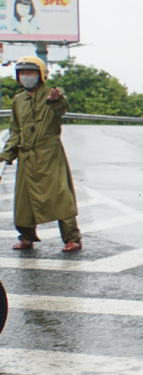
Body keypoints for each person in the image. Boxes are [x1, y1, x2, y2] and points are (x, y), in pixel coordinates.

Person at [2, 56, 81, 252]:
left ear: (41, 75)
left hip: (49, 156)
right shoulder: (18, 100)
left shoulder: (53, 94)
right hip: (27, 157)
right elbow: (16, 130)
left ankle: (72, 238)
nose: (26, 77)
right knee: (24, 200)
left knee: (61, 196)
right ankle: (26, 237)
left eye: (30, 73)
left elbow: (62, 108)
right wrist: (7, 153)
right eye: (22, 73)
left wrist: (55, 101)